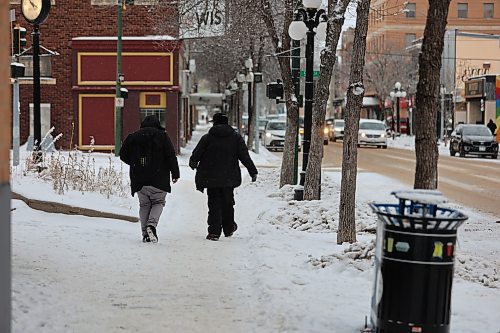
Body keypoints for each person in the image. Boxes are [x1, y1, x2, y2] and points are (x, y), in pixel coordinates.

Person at [189, 113, 258, 241]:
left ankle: (214, 232)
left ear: (214, 123)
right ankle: (228, 228)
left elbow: (196, 154)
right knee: (228, 203)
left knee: (214, 204)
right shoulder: (236, 138)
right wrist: (252, 171)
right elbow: (244, 156)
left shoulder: (207, 138)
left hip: (211, 178)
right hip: (229, 178)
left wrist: (193, 163)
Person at [120, 115, 180, 243]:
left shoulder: (133, 137)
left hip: (139, 178)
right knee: (158, 202)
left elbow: (123, 154)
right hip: (159, 177)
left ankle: (145, 234)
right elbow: (171, 156)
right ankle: (151, 226)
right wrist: (175, 174)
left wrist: (135, 163)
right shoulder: (163, 137)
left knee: (144, 204)